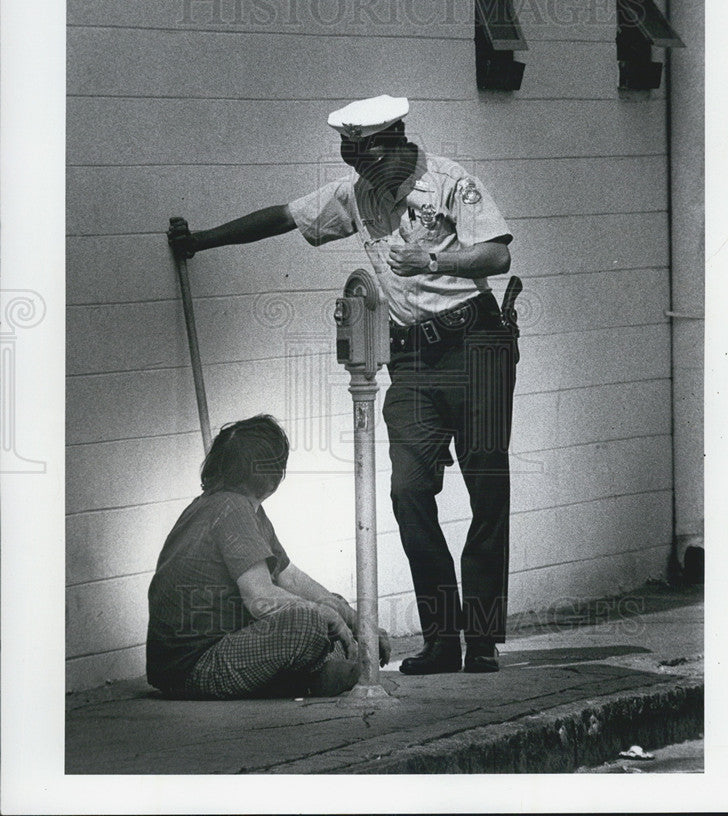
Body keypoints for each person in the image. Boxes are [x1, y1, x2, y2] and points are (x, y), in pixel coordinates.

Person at [168, 95, 517, 675]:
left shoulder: (452, 182)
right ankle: (441, 639)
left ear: (397, 142)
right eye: (352, 161)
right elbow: (284, 217)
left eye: (369, 159)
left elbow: (497, 254)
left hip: (475, 344)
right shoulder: (357, 195)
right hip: (411, 358)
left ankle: (480, 640)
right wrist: (202, 241)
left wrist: (432, 263)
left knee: (486, 486)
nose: (362, 174)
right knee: (407, 493)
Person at [146, 413, 390, 699]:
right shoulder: (231, 508)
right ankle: (312, 679)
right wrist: (329, 617)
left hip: (196, 661)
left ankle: (317, 674)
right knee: (310, 622)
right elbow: (261, 599)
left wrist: (356, 620)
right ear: (273, 475)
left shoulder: (234, 506)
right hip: (195, 668)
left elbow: (290, 577)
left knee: (328, 602)